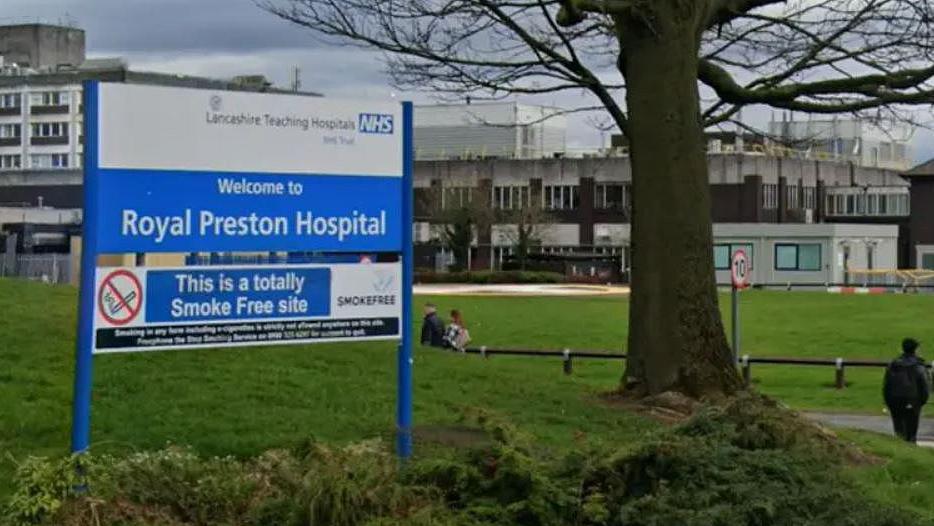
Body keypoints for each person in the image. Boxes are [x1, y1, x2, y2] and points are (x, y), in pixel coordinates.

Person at [883, 338, 930, 443]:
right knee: (911, 431)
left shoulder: (893, 365)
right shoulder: (919, 366)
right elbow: (925, 386)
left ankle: (900, 449)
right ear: (916, 349)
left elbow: (886, 385)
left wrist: (889, 402)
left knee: (899, 430)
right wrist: (921, 401)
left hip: (895, 400)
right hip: (913, 400)